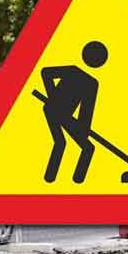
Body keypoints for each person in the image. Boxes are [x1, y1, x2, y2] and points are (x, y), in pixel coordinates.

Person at [41, 41, 106, 184]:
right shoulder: (73, 71)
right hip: (52, 110)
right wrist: (53, 98)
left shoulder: (91, 83)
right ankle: (50, 179)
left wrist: (83, 130)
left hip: (64, 115)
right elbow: (46, 73)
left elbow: (86, 110)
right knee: (61, 142)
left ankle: (76, 181)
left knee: (87, 148)